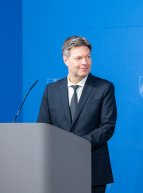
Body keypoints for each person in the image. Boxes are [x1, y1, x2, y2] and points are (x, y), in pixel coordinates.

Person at [37, 36, 117, 193]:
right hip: (58, 169)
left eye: (88, 57)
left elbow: (107, 127)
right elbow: (43, 128)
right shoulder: (51, 90)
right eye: (79, 58)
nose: (85, 62)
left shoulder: (104, 87)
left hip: (92, 169)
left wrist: (76, 145)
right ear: (65, 60)